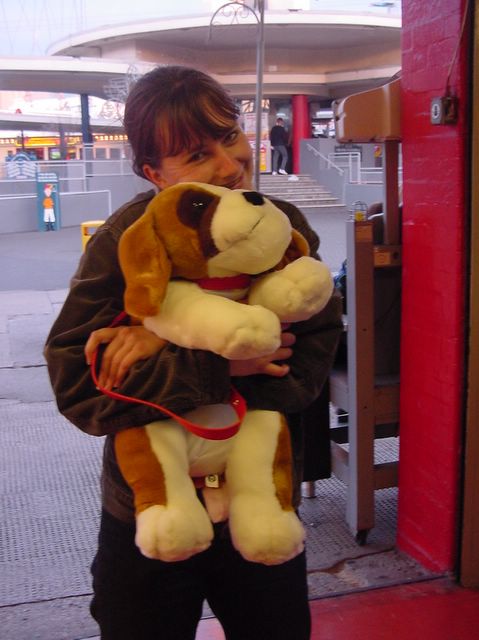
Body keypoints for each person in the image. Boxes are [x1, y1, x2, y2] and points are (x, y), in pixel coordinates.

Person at [44, 65, 342, 640]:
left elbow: (313, 349)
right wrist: (214, 365)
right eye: (198, 155)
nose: (230, 166)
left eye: (230, 136)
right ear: (155, 173)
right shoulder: (127, 239)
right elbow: (76, 384)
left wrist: (162, 344)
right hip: (151, 508)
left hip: (261, 499)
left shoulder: (279, 225)